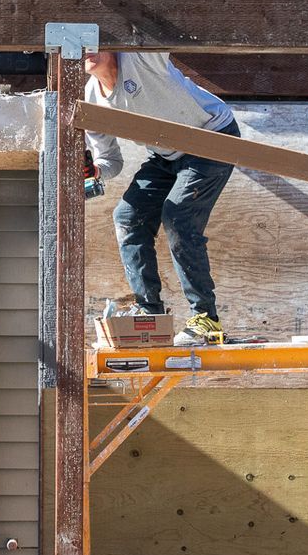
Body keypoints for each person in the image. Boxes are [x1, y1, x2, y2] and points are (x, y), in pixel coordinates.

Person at [82, 48, 239, 347]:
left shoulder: (141, 57)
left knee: (178, 217)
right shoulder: (93, 99)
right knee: (128, 218)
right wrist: (95, 172)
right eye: (82, 46)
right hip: (166, 154)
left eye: (94, 43)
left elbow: (155, 32)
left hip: (213, 138)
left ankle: (206, 319)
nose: (87, 51)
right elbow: (110, 161)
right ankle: (148, 312)